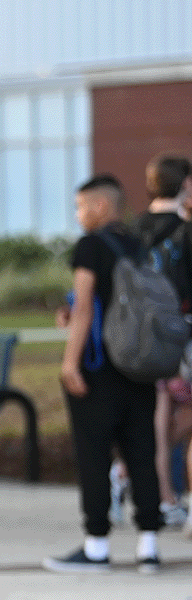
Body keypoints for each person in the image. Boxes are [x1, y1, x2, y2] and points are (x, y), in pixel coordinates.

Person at [44, 175, 163, 573]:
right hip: (140, 365)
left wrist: (69, 363)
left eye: (80, 206)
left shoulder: (90, 246)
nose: (78, 214)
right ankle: (149, 546)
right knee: (142, 452)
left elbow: (86, 308)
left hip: (99, 368)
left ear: (98, 206)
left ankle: (96, 546)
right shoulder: (137, 244)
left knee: (94, 454)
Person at [136, 153, 192, 529]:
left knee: (156, 415)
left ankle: (158, 494)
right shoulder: (185, 230)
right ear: (184, 184)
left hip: (142, 335)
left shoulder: (134, 228)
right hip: (182, 329)